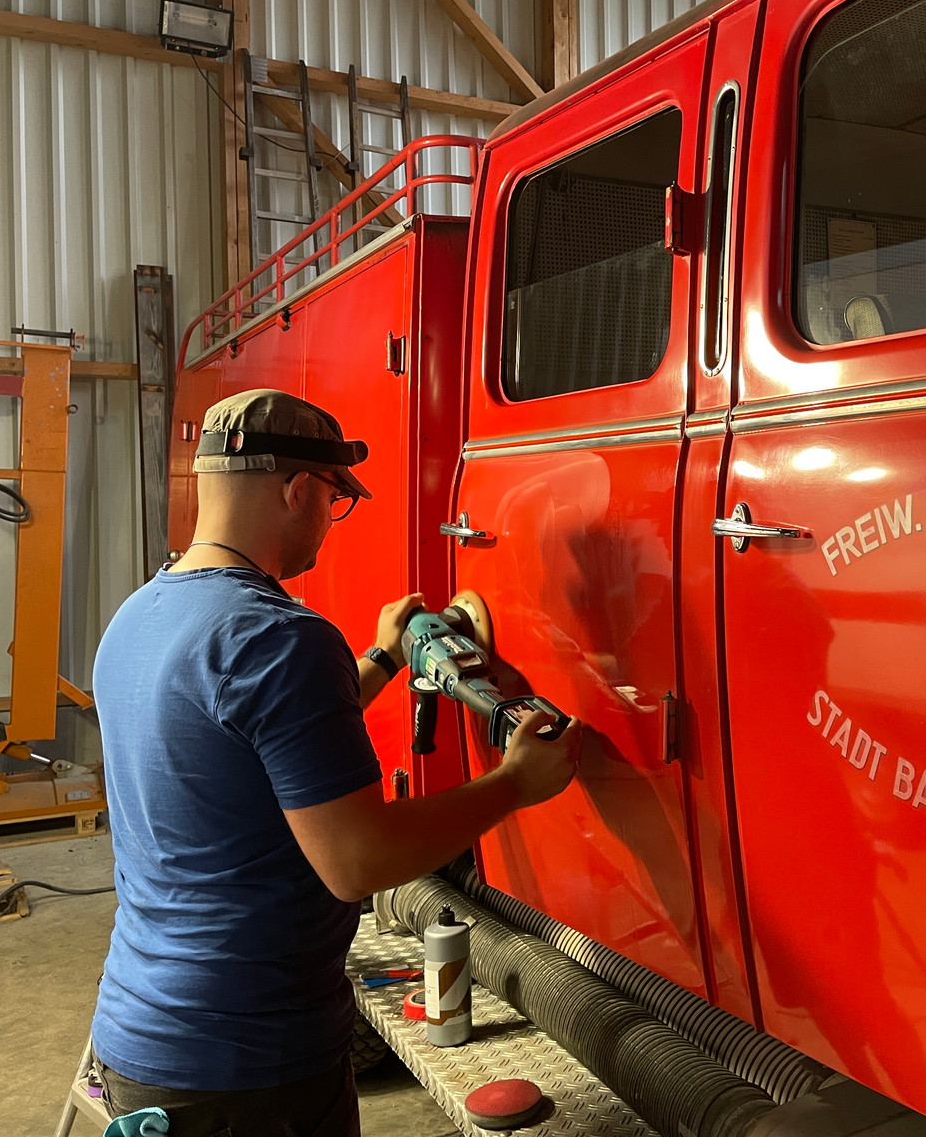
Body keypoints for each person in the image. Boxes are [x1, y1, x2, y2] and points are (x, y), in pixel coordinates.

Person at [88, 388, 581, 1137]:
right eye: (332, 499)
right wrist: (515, 782)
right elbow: (357, 859)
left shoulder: (139, 617)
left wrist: (383, 656)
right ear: (295, 490)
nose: (331, 518)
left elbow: (255, 735)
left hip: (142, 1040)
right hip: (250, 1069)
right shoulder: (279, 636)